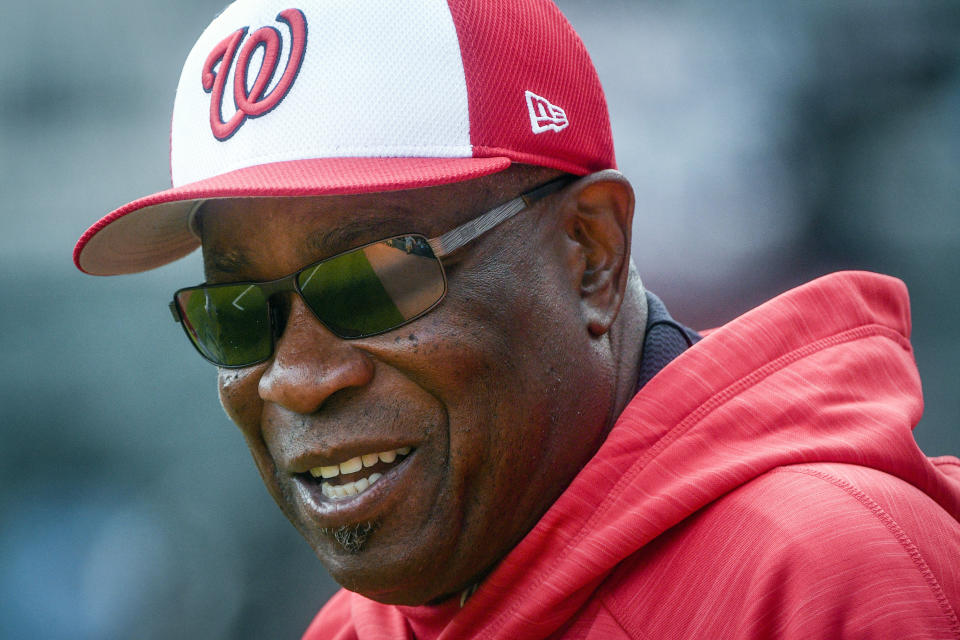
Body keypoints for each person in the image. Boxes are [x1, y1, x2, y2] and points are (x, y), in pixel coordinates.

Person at [74, 0, 960, 638]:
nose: (299, 376)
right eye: (237, 313)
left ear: (591, 256)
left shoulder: (826, 575)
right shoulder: (357, 628)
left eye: (372, 278)